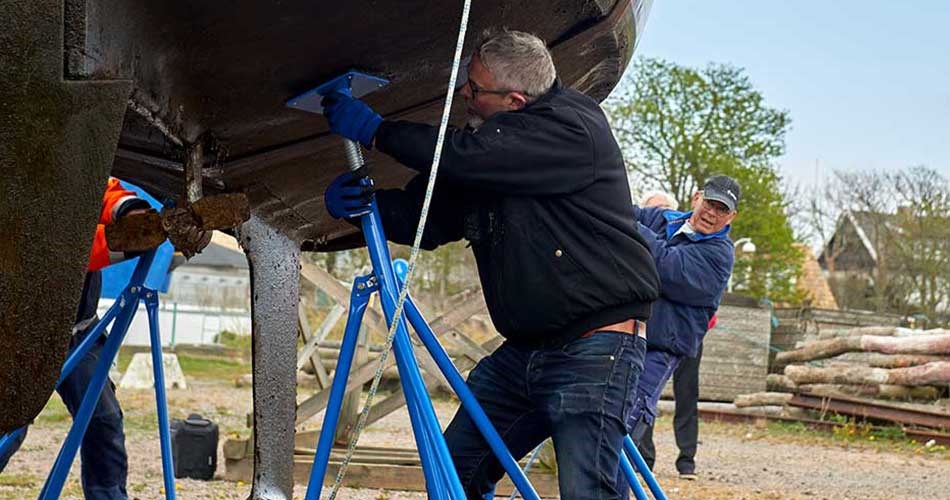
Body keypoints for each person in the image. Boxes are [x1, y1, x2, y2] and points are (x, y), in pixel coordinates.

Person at [322, 29, 660, 499]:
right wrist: (364, 209)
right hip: (525, 352)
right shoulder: (488, 154)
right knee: (453, 473)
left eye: (474, 89)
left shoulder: (573, 127)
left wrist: (378, 131)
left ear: (516, 100)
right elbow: (431, 220)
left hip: (594, 349)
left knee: (588, 492)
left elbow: (468, 158)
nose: (464, 93)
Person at [0, 178, 152, 499]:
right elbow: (53, 250)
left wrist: (132, 212)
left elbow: (103, 190)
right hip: (17, 340)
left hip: (79, 333)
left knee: (103, 422)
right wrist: (122, 240)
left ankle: (108, 495)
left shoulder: (70, 163)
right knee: (7, 429)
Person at [618, 175, 739, 489]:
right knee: (600, 424)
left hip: (660, 348)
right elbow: (621, 210)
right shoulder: (664, 219)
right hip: (623, 335)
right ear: (696, 197)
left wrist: (626, 228)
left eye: (722, 210)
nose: (712, 213)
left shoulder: (719, 255)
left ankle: (683, 459)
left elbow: (664, 265)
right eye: (710, 203)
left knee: (625, 427)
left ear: (731, 217)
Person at [635, 191, 710, 479]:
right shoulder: (649, 240)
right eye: (655, 210)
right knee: (645, 392)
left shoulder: (695, 241)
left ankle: (686, 457)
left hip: (684, 333)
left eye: (666, 209)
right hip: (648, 328)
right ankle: (644, 456)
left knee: (687, 394)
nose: (661, 214)